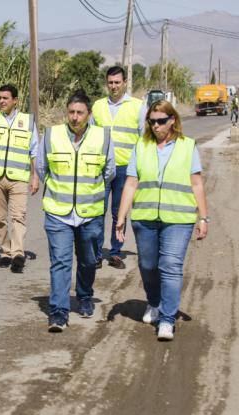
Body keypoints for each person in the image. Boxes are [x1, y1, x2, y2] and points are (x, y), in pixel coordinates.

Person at [115, 100, 209, 341]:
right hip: (145, 217)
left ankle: (167, 319)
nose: (155, 126)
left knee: (171, 266)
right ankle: (154, 302)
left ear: (172, 120)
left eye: (160, 121)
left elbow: (197, 183)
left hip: (179, 218)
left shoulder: (188, 146)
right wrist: (121, 216)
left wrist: (203, 217)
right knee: (148, 266)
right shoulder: (142, 145)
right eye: (152, 121)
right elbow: (131, 183)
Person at [37, 91, 115, 332]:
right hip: (58, 212)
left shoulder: (103, 137)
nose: (75, 117)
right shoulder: (52, 134)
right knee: (60, 261)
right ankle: (58, 312)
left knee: (89, 260)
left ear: (88, 114)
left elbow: (109, 171)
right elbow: (42, 167)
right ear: (66, 113)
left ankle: (84, 296)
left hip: (90, 213)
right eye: (71, 112)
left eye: (80, 113)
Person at [0, 84, 39, 273]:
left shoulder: (27, 121)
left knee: (19, 216)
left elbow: (34, 149)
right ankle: (5, 251)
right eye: (0, 98)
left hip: (18, 177)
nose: (2, 101)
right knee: (0, 218)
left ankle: (18, 253)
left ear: (15, 100)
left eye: (5, 98)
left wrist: (35, 176)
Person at [92, 66, 147, 270]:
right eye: (110, 82)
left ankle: (115, 253)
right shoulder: (97, 106)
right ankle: (96, 254)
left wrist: (140, 168)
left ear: (125, 83)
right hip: (101, 168)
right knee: (98, 211)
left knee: (119, 212)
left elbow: (144, 139)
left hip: (126, 168)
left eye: (117, 82)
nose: (114, 86)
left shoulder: (138, 106)